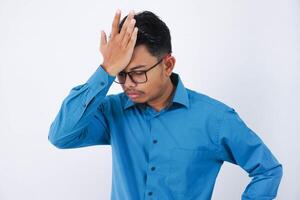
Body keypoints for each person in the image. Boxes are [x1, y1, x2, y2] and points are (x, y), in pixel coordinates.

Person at [48, 9, 283, 200]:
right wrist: (106, 70)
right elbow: (61, 136)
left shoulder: (215, 119)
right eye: (121, 74)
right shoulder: (112, 112)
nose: (128, 84)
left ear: (168, 65)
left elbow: (268, 170)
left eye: (138, 73)